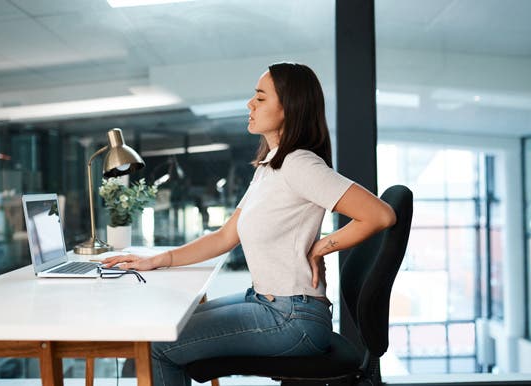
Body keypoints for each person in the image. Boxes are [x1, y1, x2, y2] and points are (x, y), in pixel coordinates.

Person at [101, 62, 397, 385]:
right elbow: (226, 236)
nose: (249, 104)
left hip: (292, 319)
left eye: (260, 98)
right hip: (266, 301)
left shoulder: (300, 165)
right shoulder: (270, 167)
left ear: (289, 108)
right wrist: (157, 260)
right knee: (169, 324)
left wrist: (320, 248)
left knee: (159, 346)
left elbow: (381, 214)